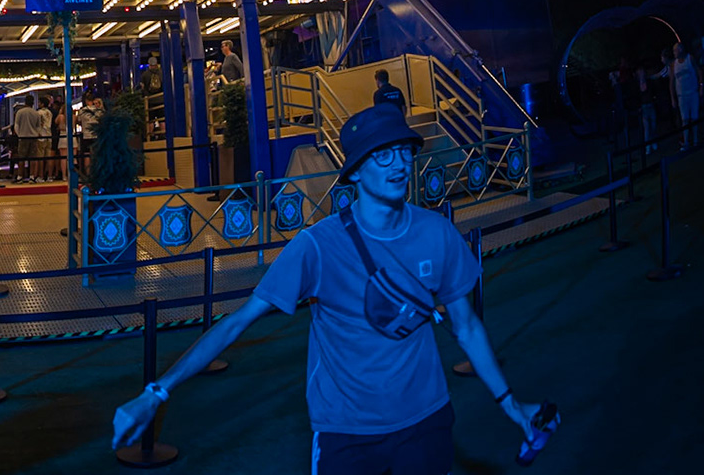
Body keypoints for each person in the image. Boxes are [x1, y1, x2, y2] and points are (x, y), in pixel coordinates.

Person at [112, 105, 547, 471]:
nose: (398, 164)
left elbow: (467, 327)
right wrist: (157, 392)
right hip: (345, 433)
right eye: (382, 155)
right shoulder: (317, 247)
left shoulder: (438, 233)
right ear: (355, 172)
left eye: (403, 152)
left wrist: (511, 405)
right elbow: (236, 324)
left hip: (426, 418)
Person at [670, 42, 702, 148]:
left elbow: (698, 71)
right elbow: (672, 82)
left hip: (693, 92)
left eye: (675, 50)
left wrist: (701, 86)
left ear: (680, 50)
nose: (674, 53)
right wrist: (673, 98)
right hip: (682, 95)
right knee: (685, 119)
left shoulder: (690, 59)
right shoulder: (674, 65)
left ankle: (696, 140)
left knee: (694, 117)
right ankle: (686, 141)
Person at [12, 97, 42, 182]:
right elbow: (38, 126)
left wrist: (19, 135)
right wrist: (36, 134)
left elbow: (16, 125)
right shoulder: (36, 113)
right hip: (33, 137)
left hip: (23, 137)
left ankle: (20, 176)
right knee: (32, 158)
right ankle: (32, 176)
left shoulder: (20, 112)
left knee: (21, 157)